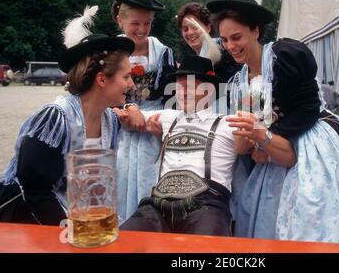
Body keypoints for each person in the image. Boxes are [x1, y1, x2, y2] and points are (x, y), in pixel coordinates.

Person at [207, 0, 339, 243]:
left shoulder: (283, 57)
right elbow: (245, 139)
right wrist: (257, 143)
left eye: (237, 37)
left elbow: (307, 109)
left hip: (309, 142)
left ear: (256, 31)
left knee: (310, 220)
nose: (230, 46)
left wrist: (266, 139)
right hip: (273, 150)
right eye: (225, 40)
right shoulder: (241, 81)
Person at [117, 56, 296, 235]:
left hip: (206, 207)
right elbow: (121, 113)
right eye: (179, 85)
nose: (183, 92)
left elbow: (281, 156)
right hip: (157, 205)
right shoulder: (166, 117)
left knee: (208, 248)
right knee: (123, 241)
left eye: (191, 86)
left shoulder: (228, 123)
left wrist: (255, 124)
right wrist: (131, 108)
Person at [0, 5, 135, 225]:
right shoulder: (55, 118)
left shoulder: (110, 121)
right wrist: (70, 229)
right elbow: (34, 191)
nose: (132, 84)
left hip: (70, 213)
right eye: (126, 77)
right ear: (102, 80)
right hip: (22, 216)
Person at [107, 0, 177, 222]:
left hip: (153, 130)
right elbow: (102, 93)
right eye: (135, 23)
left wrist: (164, 124)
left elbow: (172, 98)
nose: (141, 29)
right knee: (120, 180)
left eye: (147, 23)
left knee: (153, 184)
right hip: (120, 127)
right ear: (119, 20)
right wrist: (126, 107)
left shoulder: (163, 53)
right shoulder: (109, 52)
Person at [176, 2, 241, 83]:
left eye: (195, 27)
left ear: (208, 28)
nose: (190, 32)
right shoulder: (200, 56)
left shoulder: (221, 50)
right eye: (185, 29)